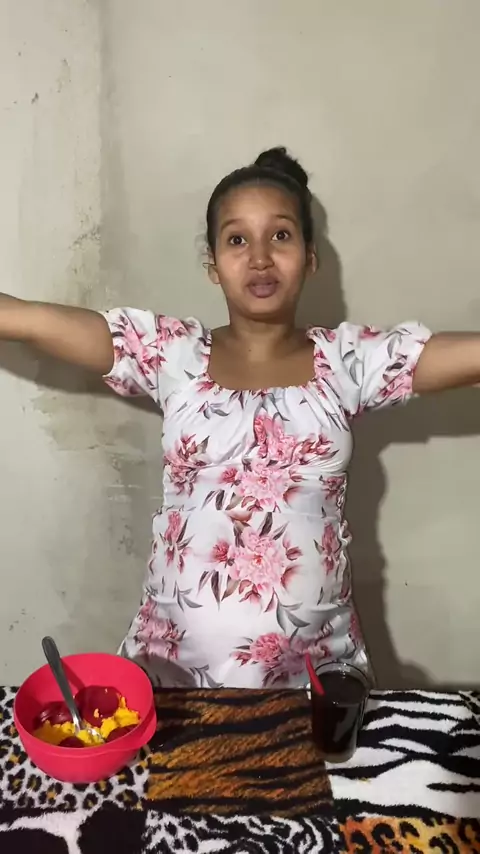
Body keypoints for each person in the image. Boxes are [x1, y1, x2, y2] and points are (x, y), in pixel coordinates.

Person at [1, 147, 479, 689]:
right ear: (212, 264)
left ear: (310, 257)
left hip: (316, 684)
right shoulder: (173, 353)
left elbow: (461, 357)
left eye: (280, 235)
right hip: (170, 678)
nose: (259, 258)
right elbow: (30, 321)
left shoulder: (347, 360)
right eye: (236, 240)